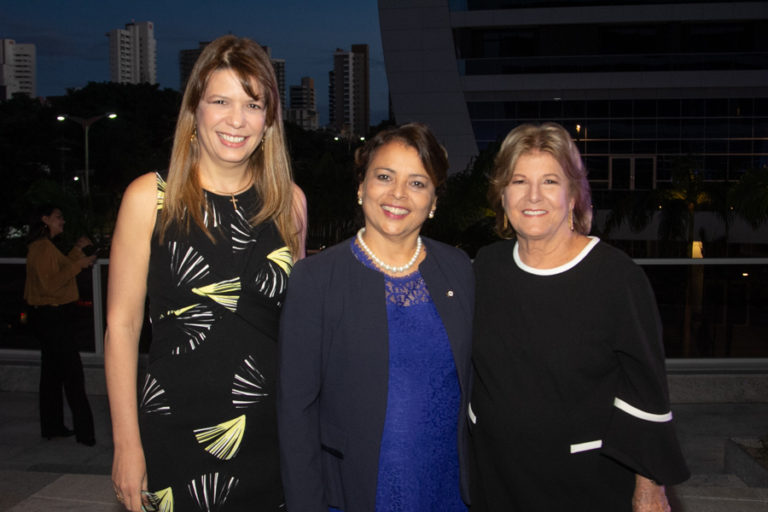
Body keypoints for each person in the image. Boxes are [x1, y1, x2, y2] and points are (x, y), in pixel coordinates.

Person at [105, 35, 307, 512]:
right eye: (221, 101)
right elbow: (122, 328)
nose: (237, 120)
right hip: (170, 433)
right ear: (195, 108)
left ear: (269, 119)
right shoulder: (149, 199)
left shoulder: (290, 205)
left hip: (269, 440)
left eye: (253, 104)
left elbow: (296, 331)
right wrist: (126, 446)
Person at [470, 122, 689, 511]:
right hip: (495, 478)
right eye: (519, 181)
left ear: (573, 195)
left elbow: (645, 390)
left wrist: (650, 486)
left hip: (583, 484)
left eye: (550, 181)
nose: (533, 196)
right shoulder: (485, 267)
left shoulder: (616, 278)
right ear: (502, 194)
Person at [278, 123, 473, 512]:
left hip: (447, 490)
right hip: (355, 491)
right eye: (384, 177)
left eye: (417, 183)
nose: (398, 194)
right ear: (362, 186)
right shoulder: (316, 279)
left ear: (434, 200)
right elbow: (294, 412)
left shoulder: (459, 269)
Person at [24, 204, 97, 446]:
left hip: (48, 317)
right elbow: (50, 284)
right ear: (44, 219)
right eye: (58, 217)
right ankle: (85, 434)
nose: (62, 221)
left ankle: (53, 426)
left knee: (53, 374)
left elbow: (61, 270)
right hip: (51, 318)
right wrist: (80, 263)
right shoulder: (41, 248)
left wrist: (77, 252)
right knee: (72, 375)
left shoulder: (43, 247)